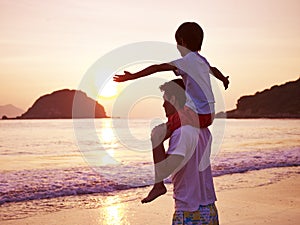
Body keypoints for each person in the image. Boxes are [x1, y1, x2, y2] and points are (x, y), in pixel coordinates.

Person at [114, 21, 228, 203]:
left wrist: (132, 76)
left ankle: (158, 185)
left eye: (177, 44)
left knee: (156, 134)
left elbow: (158, 67)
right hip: (209, 116)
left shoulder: (186, 61)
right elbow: (214, 70)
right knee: (165, 129)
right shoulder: (201, 61)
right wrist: (224, 80)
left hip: (195, 116)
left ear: (181, 41)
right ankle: (159, 182)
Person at [148, 79, 219, 224]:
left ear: (173, 99)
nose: (163, 105)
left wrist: (156, 141)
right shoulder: (204, 130)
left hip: (190, 211)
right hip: (210, 209)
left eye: (165, 100)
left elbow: (165, 170)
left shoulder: (182, 132)